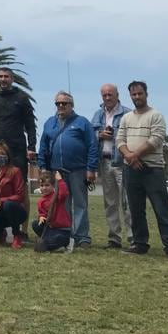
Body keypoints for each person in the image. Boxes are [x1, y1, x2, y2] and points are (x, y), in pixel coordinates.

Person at [117, 81, 168, 260]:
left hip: (153, 169)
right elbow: (119, 140)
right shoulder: (126, 118)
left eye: (140, 94)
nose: (137, 97)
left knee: (161, 209)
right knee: (136, 210)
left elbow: (156, 139)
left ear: (146, 94)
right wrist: (129, 157)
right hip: (131, 170)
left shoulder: (156, 115)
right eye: (133, 95)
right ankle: (140, 243)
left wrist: (134, 155)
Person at [37, 92, 98, 249]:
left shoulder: (82, 122)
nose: (61, 106)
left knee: (80, 204)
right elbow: (43, 146)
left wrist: (91, 168)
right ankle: (65, 234)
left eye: (65, 103)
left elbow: (92, 145)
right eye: (58, 103)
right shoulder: (50, 123)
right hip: (57, 172)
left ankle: (82, 237)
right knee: (60, 205)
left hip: (78, 170)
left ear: (72, 105)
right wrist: (43, 166)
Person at [0, 68, 37, 234]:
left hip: (17, 150)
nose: (3, 79)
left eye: (6, 76)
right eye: (0, 77)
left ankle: (23, 230)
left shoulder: (21, 98)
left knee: (22, 190)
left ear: (12, 79)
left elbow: (30, 124)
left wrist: (31, 147)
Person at [91, 83, 133, 249]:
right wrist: (99, 135)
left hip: (122, 162)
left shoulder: (127, 113)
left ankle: (133, 238)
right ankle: (114, 238)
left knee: (128, 202)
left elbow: (133, 137)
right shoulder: (97, 115)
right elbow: (89, 135)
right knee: (110, 203)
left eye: (110, 94)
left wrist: (115, 135)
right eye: (104, 95)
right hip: (104, 162)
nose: (107, 98)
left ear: (117, 95)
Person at [32, 170, 72, 251]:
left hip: (62, 230)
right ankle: (51, 243)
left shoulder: (57, 197)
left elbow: (64, 193)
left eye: (47, 185)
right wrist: (41, 217)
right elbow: (42, 213)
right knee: (35, 224)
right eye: (42, 185)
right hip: (51, 229)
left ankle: (67, 242)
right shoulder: (41, 201)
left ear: (53, 185)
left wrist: (60, 180)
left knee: (58, 239)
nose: (44, 188)